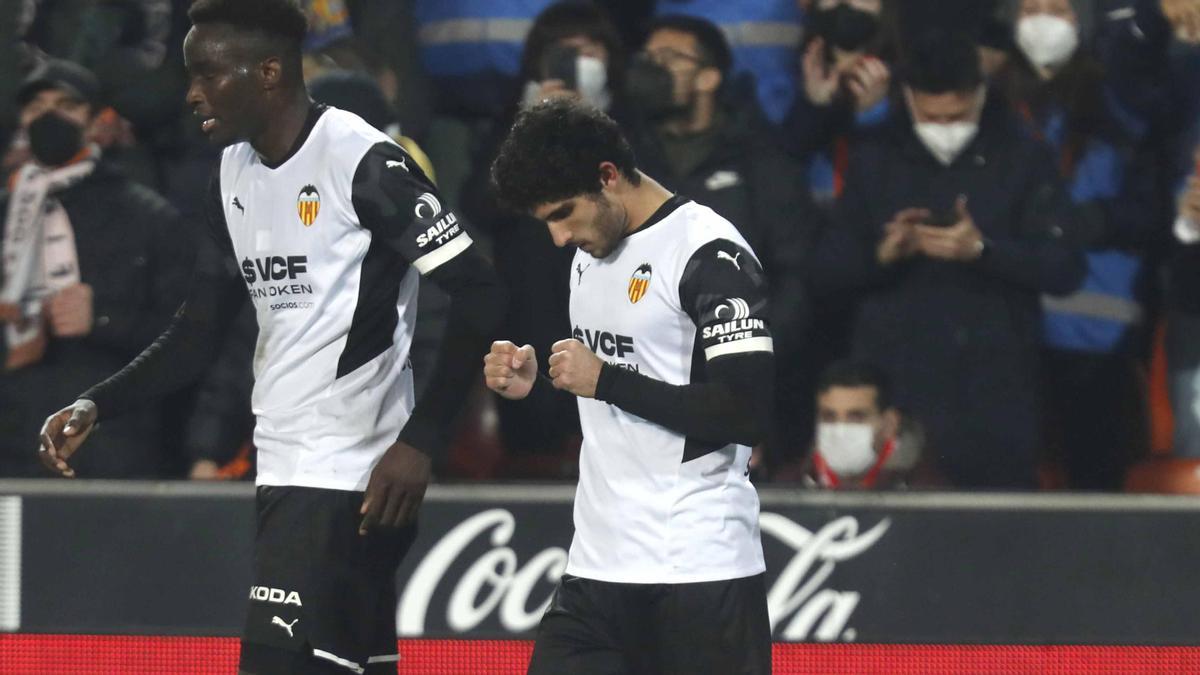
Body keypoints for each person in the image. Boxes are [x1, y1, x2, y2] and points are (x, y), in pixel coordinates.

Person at [35, 2, 505, 673]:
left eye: (207, 73)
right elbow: (197, 332)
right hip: (288, 469)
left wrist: (420, 441)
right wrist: (98, 403)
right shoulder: (232, 176)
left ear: (269, 72)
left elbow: (483, 290)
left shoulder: (365, 162)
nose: (191, 91)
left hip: (349, 476)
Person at [486, 99, 772, 674]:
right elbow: (617, 394)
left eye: (564, 214)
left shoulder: (709, 253)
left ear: (607, 177)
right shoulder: (590, 255)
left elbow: (746, 411)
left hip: (696, 572)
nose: (559, 237)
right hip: (595, 570)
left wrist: (606, 381)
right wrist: (540, 383)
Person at [810, 30, 1086, 489]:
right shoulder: (874, 159)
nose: (944, 127)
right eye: (930, 116)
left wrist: (982, 250)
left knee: (995, 537)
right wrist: (882, 254)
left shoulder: (1024, 158)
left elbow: (1065, 268)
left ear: (980, 97)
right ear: (908, 98)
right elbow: (825, 271)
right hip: (895, 385)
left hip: (995, 389)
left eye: (957, 116)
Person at [624, 14, 814, 474]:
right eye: (647, 57)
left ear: (710, 77)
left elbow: (797, 277)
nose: (651, 68)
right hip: (633, 387)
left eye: (669, 58)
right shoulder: (622, 158)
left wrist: (748, 369)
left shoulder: (761, 160)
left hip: (737, 384)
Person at [0, 58, 190, 478]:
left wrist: (102, 318)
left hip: (107, 440)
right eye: (36, 107)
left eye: (67, 105)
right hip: (10, 436)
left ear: (96, 119)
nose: (49, 117)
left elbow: (185, 338)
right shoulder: (5, 210)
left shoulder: (148, 216)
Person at [802, 359, 908, 489]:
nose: (840, 431)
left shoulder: (923, 486)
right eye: (829, 417)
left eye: (856, 418)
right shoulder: (788, 484)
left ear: (889, 424)